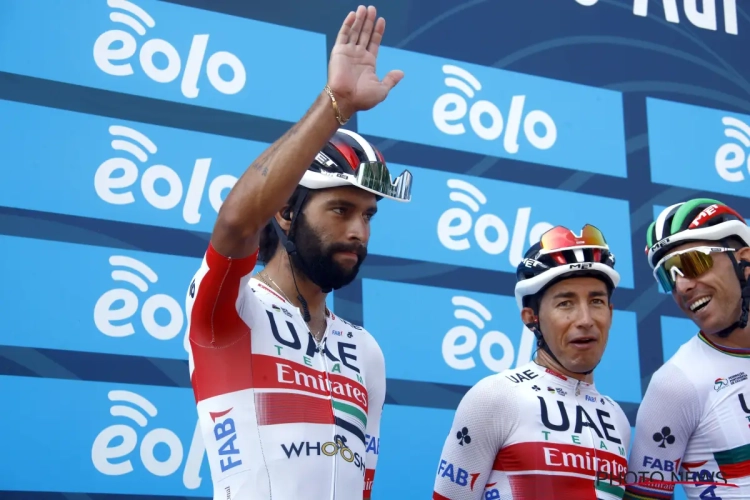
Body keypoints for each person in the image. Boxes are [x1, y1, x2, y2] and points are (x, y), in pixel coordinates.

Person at [183, 5, 412, 499]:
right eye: (341, 210)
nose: (358, 232)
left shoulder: (366, 351)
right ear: (286, 213)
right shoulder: (232, 310)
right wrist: (337, 103)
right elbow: (236, 224)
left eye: (368, 215)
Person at [432, 224, 632, 500]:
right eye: (565, 303)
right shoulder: (495, 397)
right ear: (531, 318)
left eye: (596, 301)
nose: (585, 320)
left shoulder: (617, 418)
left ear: (610, 313)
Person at [624, 198, 750, 500]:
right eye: (669, 276)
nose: (682, 287)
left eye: (693, 263)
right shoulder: (675, 384)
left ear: (745, 262)